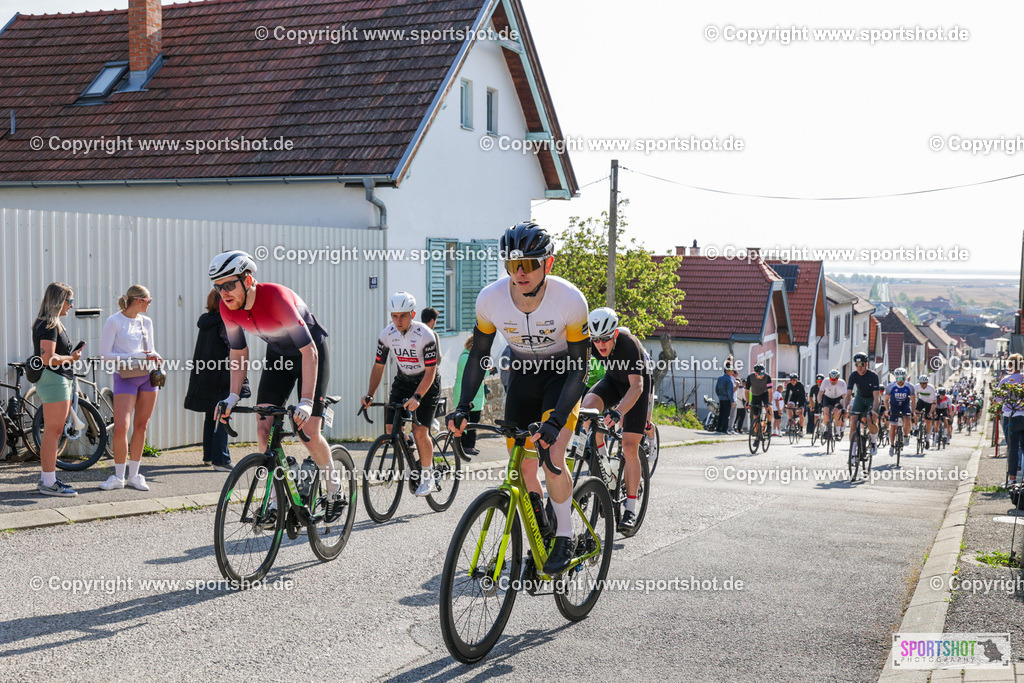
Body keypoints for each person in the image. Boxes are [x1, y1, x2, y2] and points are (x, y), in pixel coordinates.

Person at [448, 221, 589, 575]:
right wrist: (463, 405)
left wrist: (556, 421)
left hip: (562, 376)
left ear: (549, 264)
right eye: (512, 265)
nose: (520, 273)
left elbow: (578, 369)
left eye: (528, 263)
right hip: (523, 377)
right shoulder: (491, 299)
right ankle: (542, 528)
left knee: (551, 454)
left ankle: (567, 535)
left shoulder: (570, 300)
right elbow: (480, 355)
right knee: (521, 464)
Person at [211, 250, 343, 521]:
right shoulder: (227, 308)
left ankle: (334, 488)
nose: (223, 292)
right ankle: (275, 501)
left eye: (228, 284)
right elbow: (237, 352)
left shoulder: (277, 298)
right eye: (217, 286)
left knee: (308, 431)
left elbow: (309, 353)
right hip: (279, 357)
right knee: (263, 428)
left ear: (248, 281)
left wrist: (306, 400)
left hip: (311, 353)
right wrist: (233, 395)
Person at [362, 291, 441, 496]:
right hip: (403, 380)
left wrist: (418, 397)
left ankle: (427, 474)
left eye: (403, 316)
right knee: (391, 430)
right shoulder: (387, 334)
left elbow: (431, 371)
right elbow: (379, 366)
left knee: (419, 431)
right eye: (394, 316)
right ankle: (412, 456)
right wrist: (370, 394)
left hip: (426, 382)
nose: (398, 320)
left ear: (413, 314)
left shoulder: (425, 334)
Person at [583, 307, 652, 532]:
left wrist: (618, 412)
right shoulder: (591, 343)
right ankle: (605, 468)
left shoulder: (629, 344)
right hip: (613, 381)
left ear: (614, 335)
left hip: (636, 386)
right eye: (596, 340)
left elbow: (637, 386)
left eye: (605, 339)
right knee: (586, 409)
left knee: (629, 446)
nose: (600, 345)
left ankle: (631, 509)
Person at [98, 285, 161, 491]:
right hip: (125, 376)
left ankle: (134, 475)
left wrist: (154, 355)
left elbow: (149, 348)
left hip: (148, 375)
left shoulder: (146, 322)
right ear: (138, 300)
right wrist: (134, 356)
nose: (150, 304)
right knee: (121, 427)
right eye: (148, 300)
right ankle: (118, 477)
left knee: (141, 425)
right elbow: (105, 355)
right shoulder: (114, 321)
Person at [183, 289, 250, 471]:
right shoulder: (224, 322)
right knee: (223, 415)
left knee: (211, 414)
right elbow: (235, 348)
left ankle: (209, 456)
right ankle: (221, 459)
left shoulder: (207, 322)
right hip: (222, 376)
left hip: (207, 375)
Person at [32, 282, 82, 497]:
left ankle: (47, 478)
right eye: (69, 301)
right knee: (53, 433)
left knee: (53, 432)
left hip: (58, 380)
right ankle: (49, 482)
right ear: (59, 301)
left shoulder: (51, 323)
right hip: (54, 380)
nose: (71, 306)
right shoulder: (49, 325)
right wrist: (72, 357)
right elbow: (48, 358)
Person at [844, 352, 882, 460]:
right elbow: (848, 394)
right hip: (860, 398)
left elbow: (876, 396)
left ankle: (873, 442)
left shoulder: (873, 376)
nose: (859, 367)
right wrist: (844, 408)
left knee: (871, 418)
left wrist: (873, 410)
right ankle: (853, 451)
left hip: (871, 399)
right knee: (853, 421)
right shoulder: (853, 375)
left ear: (866, 364)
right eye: (857, 365)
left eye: (861, 364)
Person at [453, 333, 485, 456]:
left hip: (467, 394)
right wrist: (487, 370)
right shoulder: (468, 357)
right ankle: (468, 447)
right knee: (471, 423)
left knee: (465, 422)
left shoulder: (464, 355)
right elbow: (478, 374)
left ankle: (465, 446)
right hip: (471, 396)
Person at [998, 354, 1024, 486]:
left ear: (1009, 366)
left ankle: (1012, 479)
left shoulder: (1006, 380)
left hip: (1010, 417)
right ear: (1021, 365)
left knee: (1013, 448)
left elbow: (998, 399)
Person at [884, 367, 915, 455]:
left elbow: (913, 400)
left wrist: (912, 412)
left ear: (905, 378)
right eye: (898, 378)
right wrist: (888, 410)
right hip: (894, 407)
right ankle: (892, 446)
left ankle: (905, 436)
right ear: (895, 378)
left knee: (907, 419)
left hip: (905, 406)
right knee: (893, 427)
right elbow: (886, 400)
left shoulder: (910, 387)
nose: (900, 380)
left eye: (902, 378)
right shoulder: (890, 386)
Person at [745, 364, 773, 437]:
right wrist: (747, 402)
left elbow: (770, 392)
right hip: (755, 395)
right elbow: (747, 390)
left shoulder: (767, 377)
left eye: (763, 373)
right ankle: (757, 434)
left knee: (768, 408)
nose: (762, 375)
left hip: (764, 394)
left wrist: (769, 403)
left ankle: (769, 425)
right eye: (760, 373)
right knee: (755, 416)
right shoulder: (750, 377)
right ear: (755, 373)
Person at [914, 375, 937, 449]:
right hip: (921, 401)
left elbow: (934, 402)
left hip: (929, 403)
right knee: (915, 412)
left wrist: (930, 412)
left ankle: (927, 439)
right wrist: (913, 408)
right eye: (921, 383)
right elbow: (913, 398)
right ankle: (916, 428)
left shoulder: (931, 388)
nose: (922, 385)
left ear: (927, 383)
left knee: (928, 421)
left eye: (924, 383)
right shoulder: (917, 387)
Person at [715, 365, 734, 434]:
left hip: (721, 398)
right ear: (728, 371)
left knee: (721, 414)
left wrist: (719, 396)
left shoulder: (720, 378)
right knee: (726, 414)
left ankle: (718, 428)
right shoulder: (729, 380)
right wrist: (732, 400)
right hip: (727, 399)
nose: (732, 372)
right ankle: (724, 429)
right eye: (731, 371)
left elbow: (716, 389)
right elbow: (730, 392)